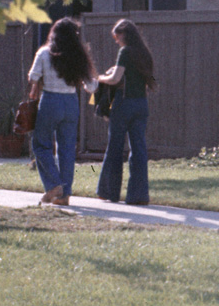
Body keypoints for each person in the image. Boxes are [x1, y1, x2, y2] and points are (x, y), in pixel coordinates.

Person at [27, 17, 98, 206]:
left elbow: (33, 76)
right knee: (67, 150)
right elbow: (91, 86)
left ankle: (53, 185)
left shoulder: (44, 53)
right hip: (71, 101)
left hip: (50, 100)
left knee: (41, 145)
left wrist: (36, 87)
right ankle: (64, 195)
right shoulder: (78, 55)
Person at [96, 19, 156, 205]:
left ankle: (109, 192)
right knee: (139, 149)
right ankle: (138, 196)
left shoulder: (125, 52)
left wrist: (98, 78)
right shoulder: (144, 53)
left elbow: (115, 79)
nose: (116, 40)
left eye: (117, 36)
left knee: (115, 147)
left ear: (124, 33)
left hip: (124, 103)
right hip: (141, 104)